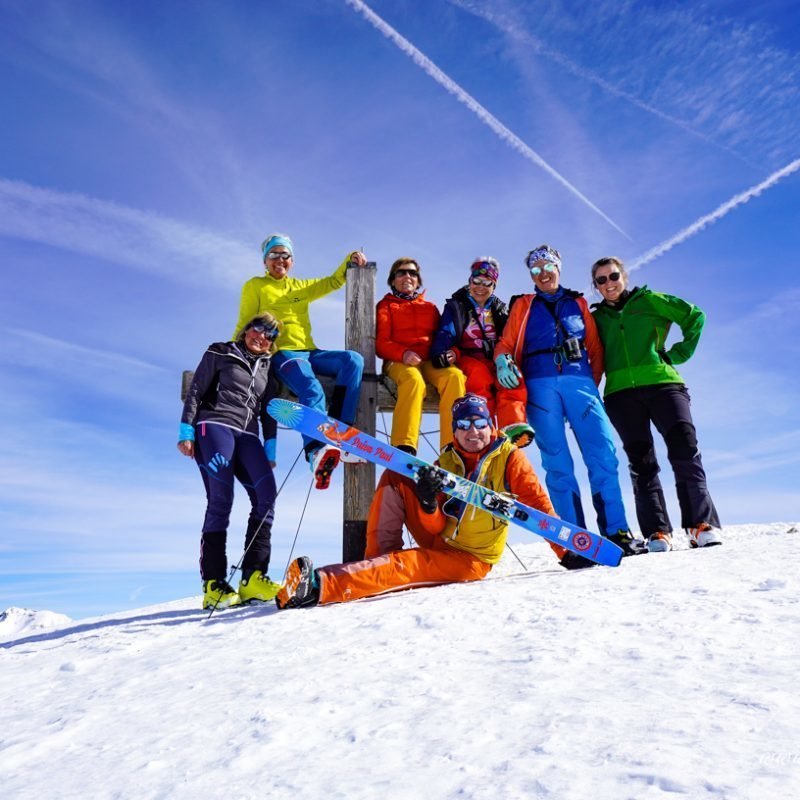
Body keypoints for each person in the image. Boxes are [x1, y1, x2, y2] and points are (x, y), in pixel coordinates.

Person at [274, 393, 587, 610]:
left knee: (406, 564)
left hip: (469, 558)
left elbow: (538, 507)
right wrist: (426, 502)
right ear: (454, 430)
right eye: (463, 425)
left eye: (479, 423)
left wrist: (566, 551)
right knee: (398, 475)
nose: (472, 432)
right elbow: (435, 524)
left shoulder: (510, 459)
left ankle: (317, 588)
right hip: (441, 536)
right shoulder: (447, 461)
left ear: (490, 426)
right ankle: (375, 563)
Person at [493, 244, 644, 555]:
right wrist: (502, 361)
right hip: (539, 387)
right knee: (557, 463)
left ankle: (617, 531)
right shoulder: (523, 305)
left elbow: (595, 349)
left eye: (548, 266)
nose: (543, 273)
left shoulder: (578, 303)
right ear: (531, 275)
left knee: (603, 453)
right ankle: (574, 539)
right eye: (536, 269)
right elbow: (505, 344)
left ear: (558, 268)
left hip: (581, 384)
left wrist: (589, 383)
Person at [590, 256, 723, 552]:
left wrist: (678, 353)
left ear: (623, 276)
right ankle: (657, 533)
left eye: (613, 276)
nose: (608, 284)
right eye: (601, 280)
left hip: (664, 385)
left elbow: (694, 315)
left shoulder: (650, 301)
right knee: (642, 462)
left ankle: (700, 525)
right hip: (621, 393)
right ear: (596, 286)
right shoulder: (596, 318)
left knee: (685, 450)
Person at [233, 233, 367, 489]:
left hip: (310, 351)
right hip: (284, 354)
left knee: (353, 361)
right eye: (274, 255)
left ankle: (340, 431)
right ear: (265, 260)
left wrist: (349, 260)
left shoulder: (300, 288)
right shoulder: (256, 286)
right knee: (311, 387)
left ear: (292, 261)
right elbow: (245, 323)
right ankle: (315, 450)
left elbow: (332, 282)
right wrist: (233, 356)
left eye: (285, 255)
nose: (279, 260)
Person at [179, 313, 282, 609]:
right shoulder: (220, 351)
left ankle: (252, 578)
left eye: (269, 335)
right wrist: (186, 431)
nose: (261, 337)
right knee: (221, 499)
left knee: (266, 497)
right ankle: (214, 584)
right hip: (214, 426)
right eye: (258, 329)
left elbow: (268, 411)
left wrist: (270, 450)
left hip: (248, 436)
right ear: (247, 329)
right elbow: (197, 389)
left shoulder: (268, 368)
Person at [430, 256, 534, 446]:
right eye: (476, 281)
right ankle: (485, 430)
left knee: (512, 377)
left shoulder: (499, 309)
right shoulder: (457, 306)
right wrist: (441, 352)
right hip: (466, 356)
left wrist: (509, 359)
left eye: (487, 283)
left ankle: (512, 425)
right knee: (480, 378)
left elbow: (509, 336)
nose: (480, 287)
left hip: (493, 358)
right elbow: (446, 331)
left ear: (494, 286)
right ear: (470, 282)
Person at [376, 257, 466, 455]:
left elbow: (446, 337)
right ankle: (403, 445)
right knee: (414, 380)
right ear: (393, 280)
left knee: (455, 377)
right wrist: (403, 353)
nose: (407, 276)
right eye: (401, 273)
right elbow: (381, 343)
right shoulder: (386, 305)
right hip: (399, 360)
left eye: (412, 273)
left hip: (429, 360)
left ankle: (453, 445)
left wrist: (453, 353)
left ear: (418, 280)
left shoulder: (430, 308)